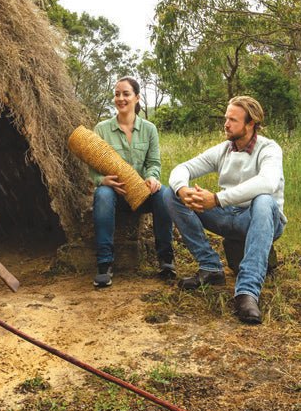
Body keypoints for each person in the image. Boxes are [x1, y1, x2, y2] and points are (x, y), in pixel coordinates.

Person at [168, 95, 285, 325]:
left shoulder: (269, 149)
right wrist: (182, 189)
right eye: (226, 118)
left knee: (263, 199)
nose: (226, 124)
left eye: (233, 119)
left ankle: (247, 293)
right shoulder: (224, 150)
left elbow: (267, 183)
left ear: (250, 123)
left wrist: (218, 199)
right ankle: (210, 268)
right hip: (227, 215)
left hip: (260, 218)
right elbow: (183, 167)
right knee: (170, 193)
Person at [90, 76, 175, 288]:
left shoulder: (149, 129)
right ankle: (104, 264)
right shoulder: (101, 129)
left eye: (126, 94)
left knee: (164, 194)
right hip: (116, 196)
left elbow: (154, 162)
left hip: (142, 194)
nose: (120, 98)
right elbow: (92, 168)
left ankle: (166, 260)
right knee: (102, 195)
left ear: (137, 98)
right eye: (117, 94)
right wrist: (102, 180)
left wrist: (152, 177)